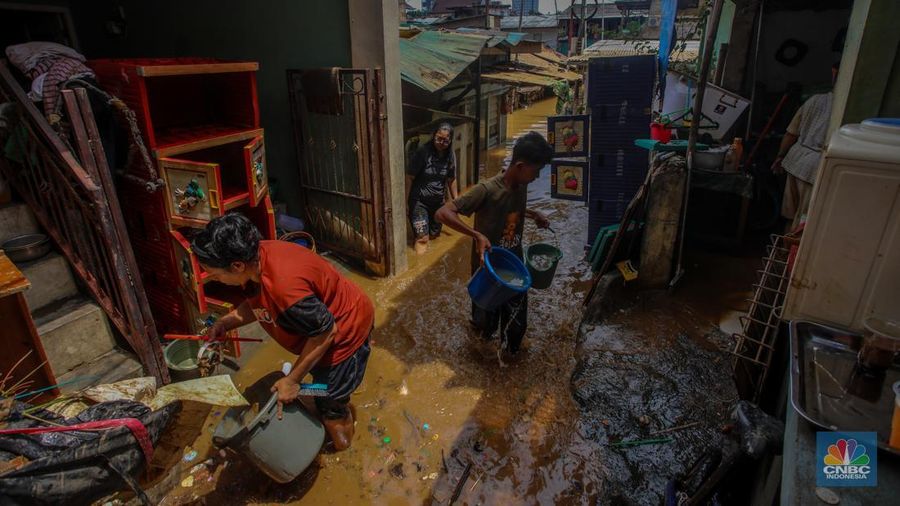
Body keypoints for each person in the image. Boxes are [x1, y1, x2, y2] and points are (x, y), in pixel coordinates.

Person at [191, 213, 374, 451]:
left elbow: (327, 332)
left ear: (237, 266)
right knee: (322, 388)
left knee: (329, 403)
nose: (215, 279)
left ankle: (344, 444)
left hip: (346, 334)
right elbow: (257, 304)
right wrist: (225, 324)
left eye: (215, 274)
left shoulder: (285, 288)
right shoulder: (256, 258)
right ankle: (333, 396)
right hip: (326, 323)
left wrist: (292, 380)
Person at [435, 132, 554, 355]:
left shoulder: (521, 184)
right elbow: (443, 213)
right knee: (484, 332)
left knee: (517, 329)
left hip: (515, 267)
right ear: (520, 165)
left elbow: (511, 209)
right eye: (535, 171)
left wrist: (532, 214)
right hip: (488, 272)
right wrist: (476, 235)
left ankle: (509, 367)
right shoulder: (487, 189)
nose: (537, 177)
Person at [771, 62, 838, 231]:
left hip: (797, 162)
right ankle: (788, 253)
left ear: (834, 73)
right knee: (803, 220)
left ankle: (784, 252)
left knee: (792, 216)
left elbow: (790, 134)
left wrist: (780, 156)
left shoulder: (815, 100)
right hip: (814, 168)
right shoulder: (842, 106)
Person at [407, 123, 459, 254]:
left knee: (435, 236)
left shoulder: (450, 156)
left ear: (451, 140)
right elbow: (409, 177)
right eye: (438, 138)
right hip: (419, 202)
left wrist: (457, 202)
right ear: (434, 136)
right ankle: (420, 269)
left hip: (438, 204)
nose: (441, 142)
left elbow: (451, 179)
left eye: (445, 140)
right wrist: (405, 202)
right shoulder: (423, 153)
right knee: (422, 238)